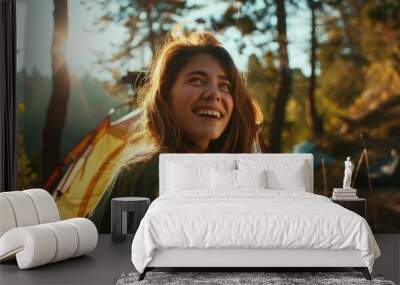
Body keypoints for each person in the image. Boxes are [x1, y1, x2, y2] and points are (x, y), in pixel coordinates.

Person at [89, 30, 265, 233]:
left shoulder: (237, 174)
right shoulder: (143, 172)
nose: (214, 94)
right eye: (197, 80)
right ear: (165, 94)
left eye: (224, 86)